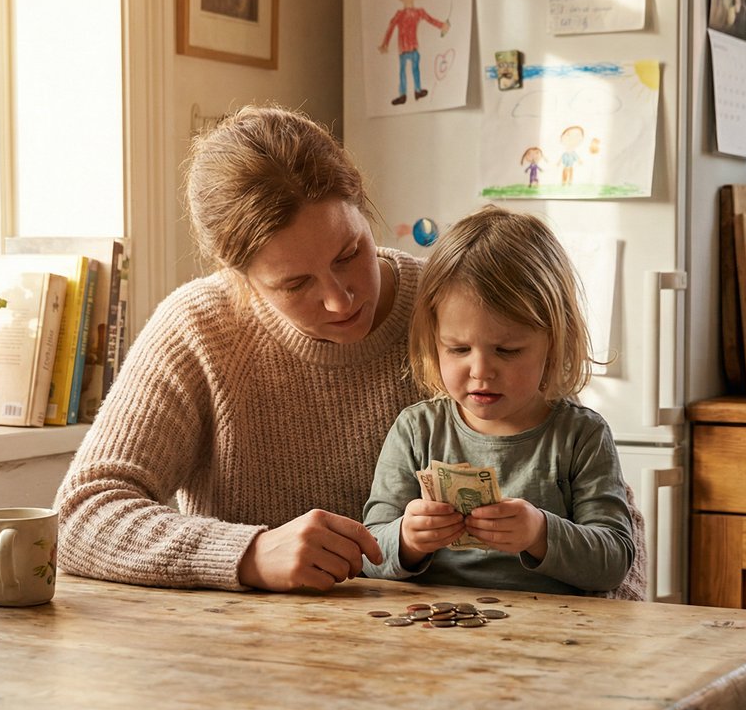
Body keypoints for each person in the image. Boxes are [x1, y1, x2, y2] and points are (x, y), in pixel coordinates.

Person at [54, 104, 427, 592]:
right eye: (295, 284)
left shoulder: (449, 303)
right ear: (241, 278)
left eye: (350, 253)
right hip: (248, 653)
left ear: (362, 203)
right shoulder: (201, 328)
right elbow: (80, 516)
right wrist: (247, 553)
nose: (339, 299)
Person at [362, 205, 634, 595]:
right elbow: (370, 550)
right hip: (437, 632)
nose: (481, 370)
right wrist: (406, 539)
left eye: (507, 350)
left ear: (553, 345)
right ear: (433, 341)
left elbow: (614, 560)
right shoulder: (416, 430)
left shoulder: (581, 435)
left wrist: (541, 533)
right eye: (458, 349)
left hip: (558, 636)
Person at [378, 0, 449, 106]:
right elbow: (390, 29)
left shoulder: (419, 12)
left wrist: (442, 25)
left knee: (415, 70)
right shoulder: (399, 14)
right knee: (403, 72)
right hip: (403, 50)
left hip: (414, 48)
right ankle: (403, 94)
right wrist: (385, 44)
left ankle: (417, 90)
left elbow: (430, 20)